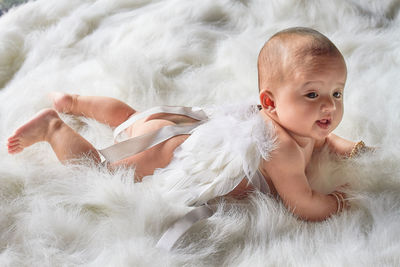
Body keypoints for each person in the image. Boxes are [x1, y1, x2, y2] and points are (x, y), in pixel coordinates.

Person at [6, 27, 371, 222]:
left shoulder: (299, 123)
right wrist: (338, 201)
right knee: (102, 169)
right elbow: (304, 205)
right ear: (269, 103)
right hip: (166, 153)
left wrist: (345, 147)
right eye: (312, 95)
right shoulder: (284, 149)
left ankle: (76, 102)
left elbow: (324, 136)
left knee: (132, 117)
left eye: (337, 93)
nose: (328, 106)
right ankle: (54, 127)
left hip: (175, 128)